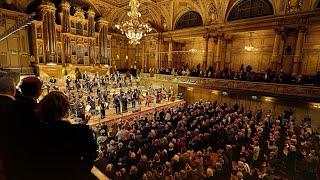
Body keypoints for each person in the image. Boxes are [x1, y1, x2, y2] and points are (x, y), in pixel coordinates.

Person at [36, 91, 97, 180]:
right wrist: (81, 127)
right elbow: (91, 157)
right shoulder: (81, 131)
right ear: (65, 109)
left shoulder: (35, 130)